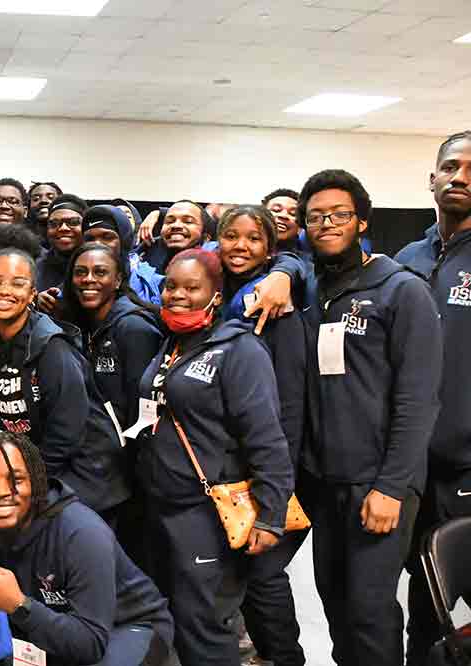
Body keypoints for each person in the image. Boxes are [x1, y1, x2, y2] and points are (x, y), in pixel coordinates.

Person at [298, 169, 442, 666]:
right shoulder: (314, 292)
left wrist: (392, 487)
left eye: (338, 214)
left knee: (370, 613)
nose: (326, 224)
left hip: (379, 485)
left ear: (361, 221)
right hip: (326, 483)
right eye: (315, 217)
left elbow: (418, 400)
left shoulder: (403, 291)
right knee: (336, 606)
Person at [137, 248, 294, 666]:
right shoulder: (170, 344)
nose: (178, 295)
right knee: (175, 620)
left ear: (216, 295)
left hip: (206, 512)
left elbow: (267, 439)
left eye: (192, 288)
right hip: (160, 508)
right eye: (171, 286)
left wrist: (271, 515)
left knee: (203, 626)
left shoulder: (240, 350)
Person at [0, 433, 174, 666]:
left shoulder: (82, 533)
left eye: (16, 479)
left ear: (36, 482)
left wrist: (19, 606)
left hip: (124, 626)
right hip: (51, 622)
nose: (1, 491)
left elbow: (90, 644)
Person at [217, 206, 310, 666]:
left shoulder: (278, 303)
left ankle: (285, 658)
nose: (240, 246)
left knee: (265, 574)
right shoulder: (221, 296)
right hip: (235, 465)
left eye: (253, 239)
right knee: (249, 577)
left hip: (274, 466)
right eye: (231, 236)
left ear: (270, 248)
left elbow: (287, 403)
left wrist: (276, 483)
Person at [394, 130, 471, 666]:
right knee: (425, 604)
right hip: (413, 469)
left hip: (469, 468)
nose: (460, 177)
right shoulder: (407, 259)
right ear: (432, 178)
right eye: (450, 167)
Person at [0, 248, 130, 524]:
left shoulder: (53, 348)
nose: (4, 291)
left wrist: (29, 485)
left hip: (84, 484)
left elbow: (66, 432)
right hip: (38, 476)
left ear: (32, 294)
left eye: (17, 283)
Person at [62, 242, 161, 436]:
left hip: (124, 454)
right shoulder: (81, 323)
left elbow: (142, 409)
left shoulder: (134, 328)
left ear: (117, 281)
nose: (88, 279)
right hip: (93, 449)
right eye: (80, 272)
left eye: (100, 272)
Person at [81, 204, 163, 304]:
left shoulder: (154, 284)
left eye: (107, 237)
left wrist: (159, 213)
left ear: (124, 241)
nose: (97, 244)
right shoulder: (74, 284)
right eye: (90, 239)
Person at [35, 194, 87, 314]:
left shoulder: (99, 263)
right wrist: (34, 301)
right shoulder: (35, 267)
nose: (63, 228)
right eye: (54, 224)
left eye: (73, 222)